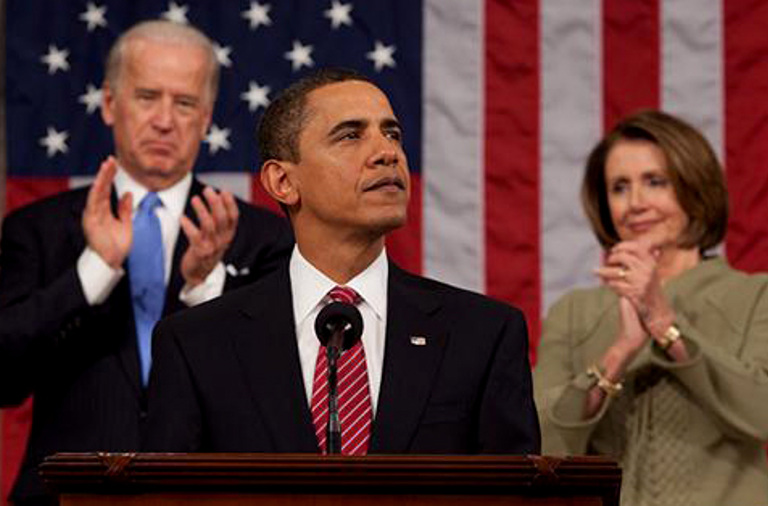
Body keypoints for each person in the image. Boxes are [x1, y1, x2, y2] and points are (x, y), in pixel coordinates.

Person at [143, 68, 540, 456]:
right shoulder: (196, 345)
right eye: (351, 135)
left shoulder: (483, 335)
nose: (388, 153)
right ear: (283, 182)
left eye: (393, 134)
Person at [0, 20, 292, 505]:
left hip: (203, 497)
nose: (164, 120)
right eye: (146, 97)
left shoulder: (261, 237)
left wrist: (204, 288)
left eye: (184, 103)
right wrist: (94, 271)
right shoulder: (37, 228)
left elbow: (279, 391)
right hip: (63, 496)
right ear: (110, 104)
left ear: (206, 118)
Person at [534, 110, 768, 505]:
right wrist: (618, 355)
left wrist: (667, 328)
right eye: (619, 188)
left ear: (695, 187)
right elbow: (540, 441)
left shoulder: (755, 294)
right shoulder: (574, 312)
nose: (636, 203)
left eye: (655, 182)